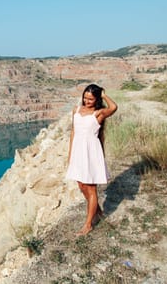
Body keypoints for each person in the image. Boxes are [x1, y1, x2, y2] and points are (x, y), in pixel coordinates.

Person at [65, 84, 118, 236]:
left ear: (96, 99)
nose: (87, 101)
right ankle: (98, 211)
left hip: (91, 152)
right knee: (81, 185)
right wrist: (70, 154)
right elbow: (73, 132)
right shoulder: (76, 110)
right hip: (78, 150)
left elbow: (114, 107)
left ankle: (88, 225)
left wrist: (104, 95)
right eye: (85, 98)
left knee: (91, 187)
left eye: (91, 99)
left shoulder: (99, 113)